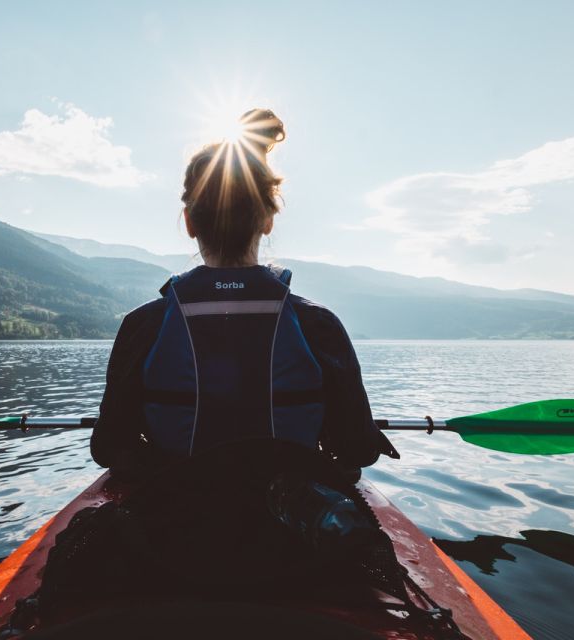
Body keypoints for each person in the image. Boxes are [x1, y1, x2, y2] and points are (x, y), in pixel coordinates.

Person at [91, 108, 390, 478]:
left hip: (177, 518)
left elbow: (107, 448)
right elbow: (359, 449)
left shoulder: (144, 325)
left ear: (188, 222)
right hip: (287, 521)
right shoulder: (318, 325)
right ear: (267, 220)